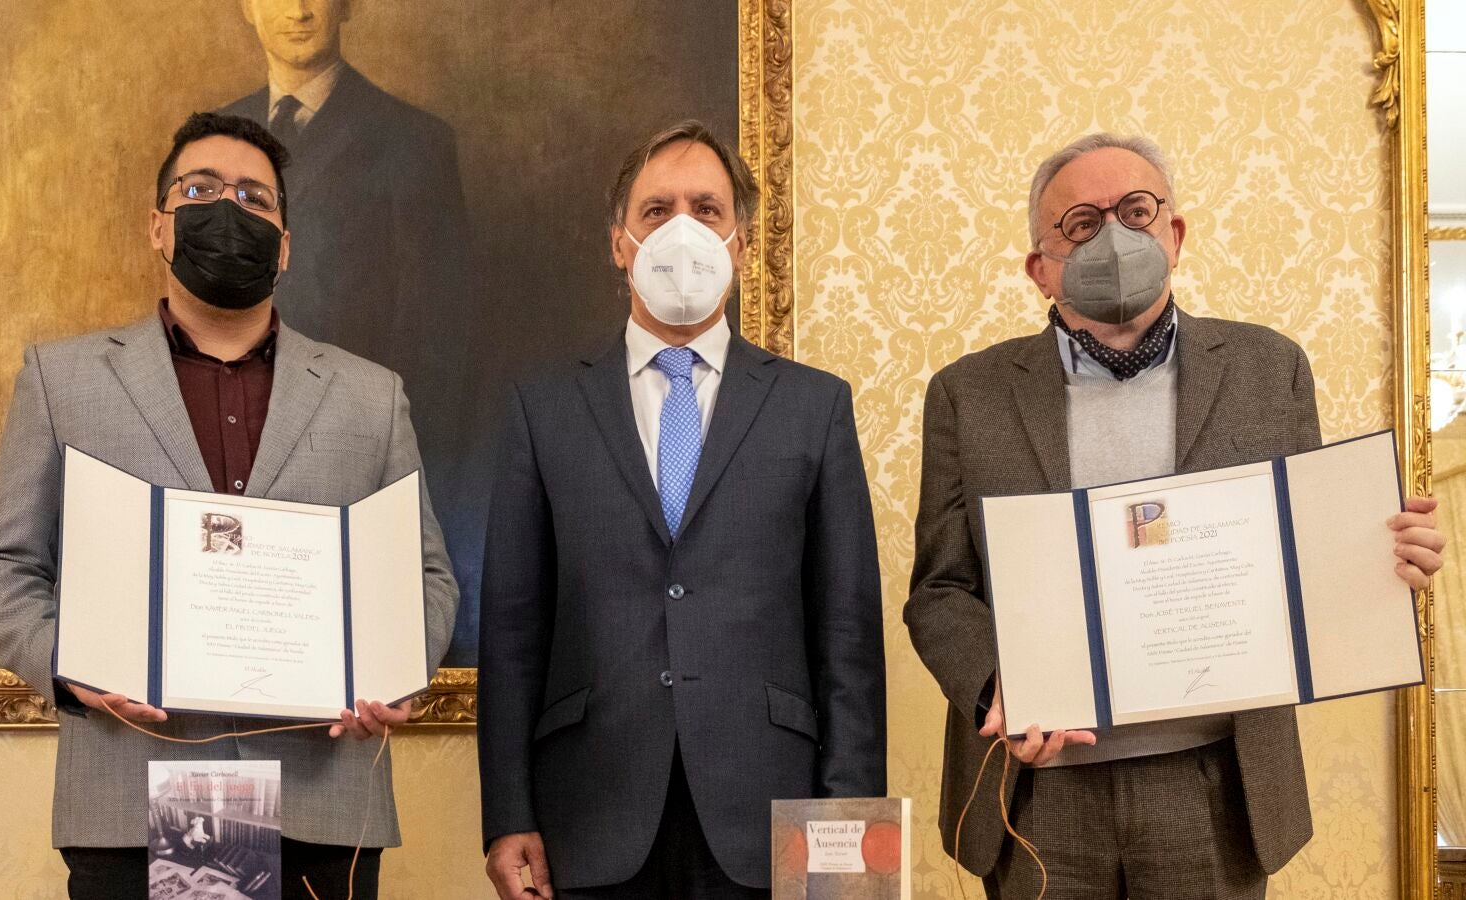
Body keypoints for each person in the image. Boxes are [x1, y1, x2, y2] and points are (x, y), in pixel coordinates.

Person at [903, 132, 1447, 899]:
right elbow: (940, 588)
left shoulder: (1270, 369)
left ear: (1176, 234)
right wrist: (999, 687)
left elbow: (1306, 561)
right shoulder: (970, 393)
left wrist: (1384, 562)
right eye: (1081, 224)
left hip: (1218, 786)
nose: (1114, 237)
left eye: (1136, 211)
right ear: (1040, 268)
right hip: (1039, 794)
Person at [0, 112, 459, 900]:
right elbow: (1, 566)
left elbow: (425, 577)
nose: (228, 210)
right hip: (130, 798)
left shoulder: (372, 397)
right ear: (158, 226)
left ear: (284, 246)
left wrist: (392, 674)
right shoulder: (62, 380)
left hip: (320, 804)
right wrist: (71, 665)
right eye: (199, 191)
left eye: (254, 198)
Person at [476, 120, 888, 899]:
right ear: (620, 243)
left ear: (740, 243)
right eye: (657, 210)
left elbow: (847, 635)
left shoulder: (814, 406)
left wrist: (852, 838)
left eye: (707, 209)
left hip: (770, 816)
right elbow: (511, 629)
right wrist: (507, 815)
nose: (682, 230)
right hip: (586, 814)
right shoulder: (544, 408)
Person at [221, 0, 482, 658]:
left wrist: (392, 480)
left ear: (349, 5)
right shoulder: (215, 140)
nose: (298, 9)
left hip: (357, 469)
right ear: (247, 8)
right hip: (229, 462)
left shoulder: (414, 140)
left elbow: (441, 339)